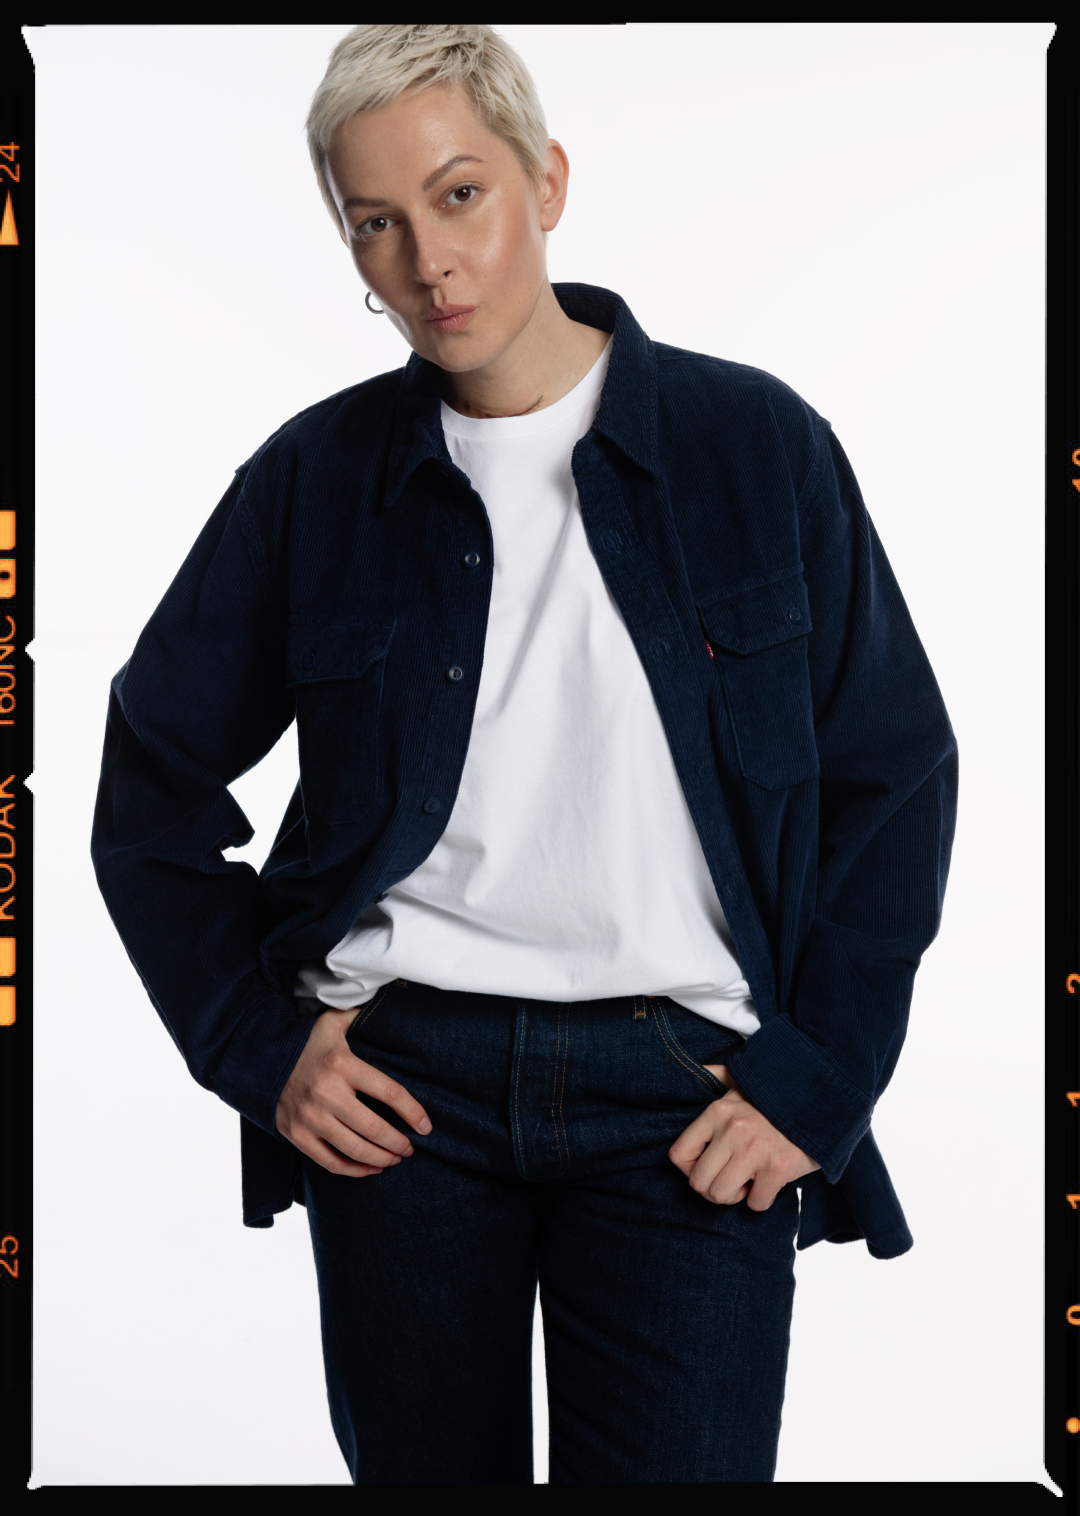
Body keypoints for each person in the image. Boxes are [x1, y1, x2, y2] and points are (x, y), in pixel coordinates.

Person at [90, 23, 958, 1485]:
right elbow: (151, 788)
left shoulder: (756, 445)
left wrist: (819, 1080)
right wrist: (260, 1049)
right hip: (404, 1099)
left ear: (546, 181)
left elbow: (897, 774)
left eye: (459, 195)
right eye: (375, 222)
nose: (428, 262)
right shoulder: (315, 480)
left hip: (688, 1094)